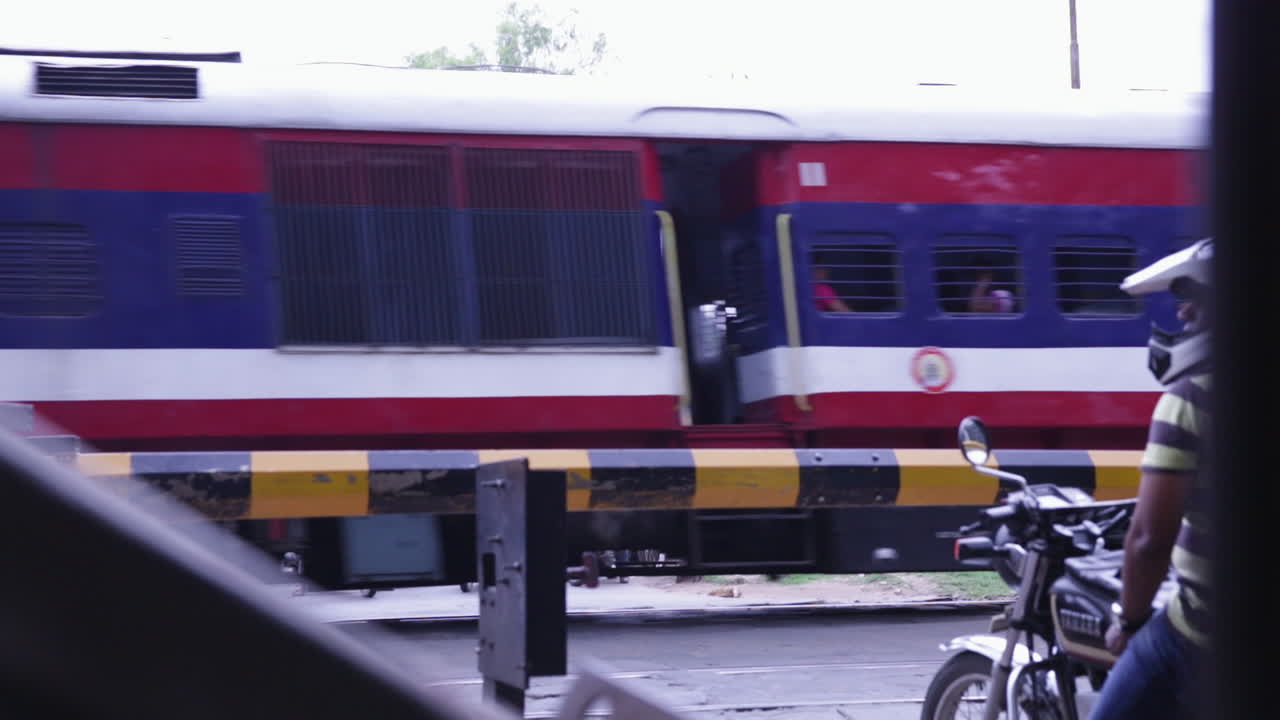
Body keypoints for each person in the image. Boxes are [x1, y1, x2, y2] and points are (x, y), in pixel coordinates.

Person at [1088, 238, 1214, 720]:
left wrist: (1130, 620)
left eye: (1192, 299)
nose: (1182, 315)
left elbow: (1147, 540)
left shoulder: (1191, 398)